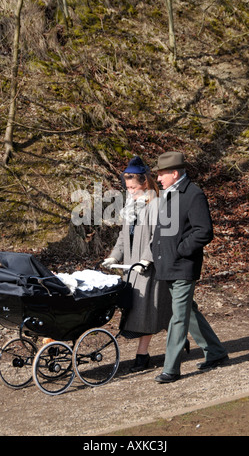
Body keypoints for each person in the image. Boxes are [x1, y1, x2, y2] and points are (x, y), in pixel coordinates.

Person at [151, 151, 228, 383]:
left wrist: (180, 251)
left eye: (162, 174)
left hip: (183, 265)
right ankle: (216, 352)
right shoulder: (168, 194)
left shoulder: (193, 194)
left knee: (178, 316)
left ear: (174, 173)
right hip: (168, 264)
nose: (158, 179)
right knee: (188, 311)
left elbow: (203, 231)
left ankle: (171, 368)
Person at [102, 156, 174, 373]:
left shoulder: (157, 204)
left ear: (144, 182)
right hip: (131, 267)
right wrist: (114, 256)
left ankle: (142, 355)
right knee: (138, 310)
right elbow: (124, 237)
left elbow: (158, 238)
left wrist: (146, 258)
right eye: (127, 186)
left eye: (133, 186)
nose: (129, 190)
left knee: (146, 311)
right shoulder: (130, 204)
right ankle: (178, 340)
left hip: (149, 266)